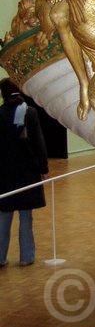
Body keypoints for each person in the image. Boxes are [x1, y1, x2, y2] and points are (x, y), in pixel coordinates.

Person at [0, 79, 48, 267]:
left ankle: (1, 257)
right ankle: (26, 257)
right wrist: (43, 168)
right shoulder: (30, 113)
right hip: (27, 171)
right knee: (26, 216)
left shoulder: (0, 114)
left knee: (4, 216)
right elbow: (38, 143)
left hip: (4, 173)